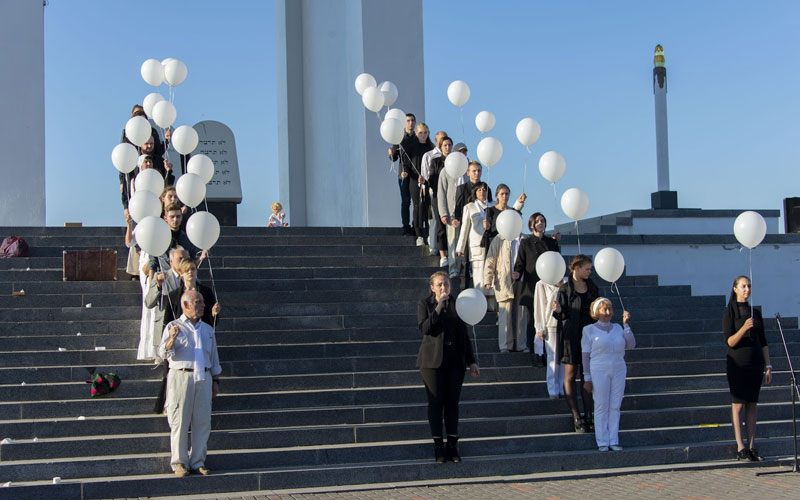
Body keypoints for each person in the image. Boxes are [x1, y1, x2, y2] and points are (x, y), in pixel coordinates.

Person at [417, 271, 480, 463]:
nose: (444, 288)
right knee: (436, 403)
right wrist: (439, 306)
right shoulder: (425, 304)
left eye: (446, 284)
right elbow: (426, 329)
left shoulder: (458, 304)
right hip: (432, 362)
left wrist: (472, 361)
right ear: (432, 287)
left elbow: (464, 335)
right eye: (439, 285)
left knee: (452, 403)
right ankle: (438, 445)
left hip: (454, 361)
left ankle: (452, 444)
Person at [158, 289, 221, 477]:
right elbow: (162, 353)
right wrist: (171, 339)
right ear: (186, 305)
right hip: (181, 376)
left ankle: (198, 461)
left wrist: (216, 380)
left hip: (203, 376)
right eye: (198, 302)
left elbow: (214, 357)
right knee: (180, 421)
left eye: (202, 302)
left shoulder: (208, 329)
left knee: (202, 422)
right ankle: (179, 462)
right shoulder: (173, 326)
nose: (202, 305)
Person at [723, 275, 771, 461]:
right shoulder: (729, 312)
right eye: (743, 286)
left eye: (749, 286)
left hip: (755, 362)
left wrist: (768, 365)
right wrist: (743, 328)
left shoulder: (755, 313)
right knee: (738, 404)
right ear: (735, 288)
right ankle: (740, 446)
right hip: (738, 363)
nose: (747, 289)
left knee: (752, 404)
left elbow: (764, 341)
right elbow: (730, 341)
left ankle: (752, 446)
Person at [553, 254, 599, 433]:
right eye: (587, 269)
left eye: (590, 269)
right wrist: (557, 310)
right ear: (576, 268)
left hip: (589, 336)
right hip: (571, 336)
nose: (589, 272)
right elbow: (562, 314)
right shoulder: (565, 289)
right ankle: (576, 416)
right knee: (570, 376)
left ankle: (589, 415)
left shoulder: (592, 287)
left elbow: (597, 311)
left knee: (587, 375)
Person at [582, 297, 635, 451]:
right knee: (601, 405)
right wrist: (587, 377)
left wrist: (626, 325)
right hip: (599, 368)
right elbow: (585, 354)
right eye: (604, 309)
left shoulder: (618, 327)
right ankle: (602, 441)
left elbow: (631, 344)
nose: (607, 312)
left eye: (610, 309)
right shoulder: (589, 330)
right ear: (596, 312)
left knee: (615, 405)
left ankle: (614, 439)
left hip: (618, 367)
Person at [514, 212, 561, 364]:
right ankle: (535, 353)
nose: (540, 223)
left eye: (543, 220)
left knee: (550, 320)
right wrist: (516, 272)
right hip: (532, 287)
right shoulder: (525, 243)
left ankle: (549, 352)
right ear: (532, 224)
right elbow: (520, 262)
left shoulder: (551, 242)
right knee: (533, 321)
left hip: (550, 289)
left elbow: (557, 261)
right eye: (537, 221)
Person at [390, 120, 433, 244]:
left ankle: (428, 233)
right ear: (416, 133)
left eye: (425, 133)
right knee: (417, 205)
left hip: (428, 181)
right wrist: (405, 172)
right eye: (420, 133)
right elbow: (406, 163)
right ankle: (419, 235)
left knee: (427, 206)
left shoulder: (431, 148)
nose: (423, 135)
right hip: (414, 180)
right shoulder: (411, 146)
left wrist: (427, 178)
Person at [484, 222, 525, 353]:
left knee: (522, 314)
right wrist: (488, 279)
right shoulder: (499, 238)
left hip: (522, 280)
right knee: (504, 313)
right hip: (503, 281)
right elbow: (491, 259)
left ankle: (521, 344)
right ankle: (505, 346)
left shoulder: (524, 238)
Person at [455, 182, 490, 289]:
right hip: (477, 247)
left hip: (492, 246)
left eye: (484, 189)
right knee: (479, 278)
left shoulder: (493, 205)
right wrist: (460, 247)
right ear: (474, 192)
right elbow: (465, 228)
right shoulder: (469, 207)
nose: (482, 192)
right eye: (479, 190)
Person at [387, 113, 418, 236]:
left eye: (412, 120)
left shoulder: (418, 138)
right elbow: (394, 158)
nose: (411, 123)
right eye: (408, 120)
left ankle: (416, 226)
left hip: (416, 175)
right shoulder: (399, 137)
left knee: (417, 201)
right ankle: (406, 227)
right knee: (405, 201)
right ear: (405, 123)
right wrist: (390, 153)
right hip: (403, 174)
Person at [533, 277, 564, 399]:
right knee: (552, 357)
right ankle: (553, 390)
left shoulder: (567, 281)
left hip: (565, 324)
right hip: (550, 324)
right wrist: (539, 327)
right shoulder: (541, 284)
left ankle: (562, 388)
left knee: (564, 358)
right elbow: (539, 306)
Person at [438, 142, 464, 278]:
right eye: (460, 152)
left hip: (465, 213)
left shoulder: (469, 170)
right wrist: (443, 213)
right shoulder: (445, 170)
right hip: (451, 212)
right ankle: (453, 268)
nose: (462, 154)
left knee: (464, 241)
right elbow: (441, 193)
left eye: (464, 152)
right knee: (452, 241)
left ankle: (464, 267)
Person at [426, 136, 452, 267]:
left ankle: (452, 252)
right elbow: (431, 179)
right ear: (441, 147)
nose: (447, 148)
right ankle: (443, 255)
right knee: (441, 224)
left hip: (453, 197)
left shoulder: (456, 161)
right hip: (438, 196)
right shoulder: (435, 161)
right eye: (445, 145)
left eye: (449, 145)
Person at [421, 130, 447, 253]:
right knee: (435, 220)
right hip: (434, 191)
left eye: (445, 139)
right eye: (440, 139)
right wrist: (425, 189)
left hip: (448, 193)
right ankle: (433, 246)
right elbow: (426, 175)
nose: (443, 141)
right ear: (436, 141)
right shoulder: (429, 155)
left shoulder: (452, 158)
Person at [479, 184, 525, 250]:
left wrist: (520, 203)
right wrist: (486, 227)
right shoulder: (490, 210)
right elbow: (486, 231)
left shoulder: (512, 212)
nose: (505, 196)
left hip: (508, 246)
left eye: (507, 194)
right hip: (493, 245)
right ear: (497, 195)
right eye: (502, 194)